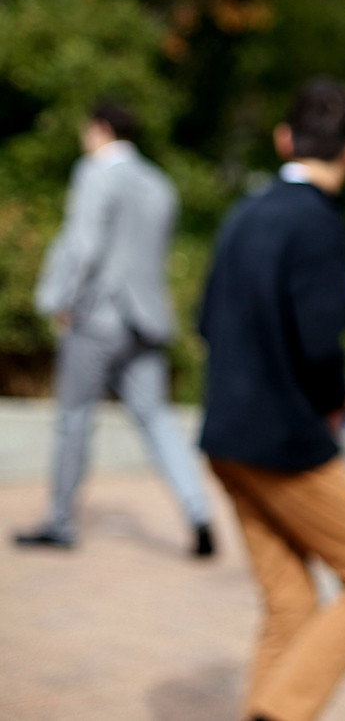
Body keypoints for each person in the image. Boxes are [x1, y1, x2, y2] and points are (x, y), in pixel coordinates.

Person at [198, 79, 345, 721]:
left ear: (284, 139)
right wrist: (337, 395)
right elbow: (318, 343)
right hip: (284, 443)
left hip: (225, 437)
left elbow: (205, 320)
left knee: (291, 604)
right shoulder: (318, 222)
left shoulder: (245, 212)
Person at [14, 101, 214, 556]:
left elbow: (83, 245)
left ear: (100, 129)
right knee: (157, 417)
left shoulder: (96, 173)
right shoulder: (159, 184)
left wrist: (58, 301)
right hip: (146, 320)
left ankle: (60, 522)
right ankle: (198, 510)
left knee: (75, 418)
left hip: (99, 317)